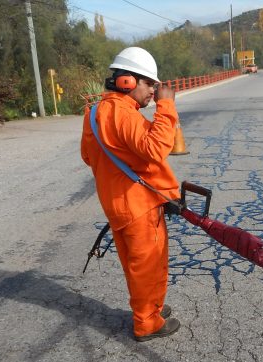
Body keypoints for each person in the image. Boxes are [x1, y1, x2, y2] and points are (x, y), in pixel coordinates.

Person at [80, 47, 181, 342]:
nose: (153, 91)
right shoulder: (121, 112)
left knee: (139, 264)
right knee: (147, 265)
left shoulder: (95, 111)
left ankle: (152, 308)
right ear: (126, 81)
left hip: (119, 204)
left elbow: (89, 156)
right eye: (149, 84)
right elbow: (155, 149)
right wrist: (167, 107)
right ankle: (147, 322)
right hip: (138, 205)